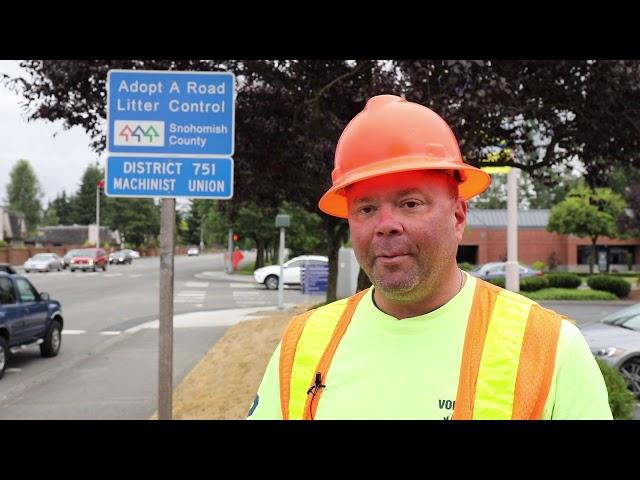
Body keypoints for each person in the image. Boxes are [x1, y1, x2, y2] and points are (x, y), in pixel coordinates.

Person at [247, 94, 612, 420]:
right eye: (366, 209)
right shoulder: (303, 344)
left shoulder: (549, 348)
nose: (385, 226)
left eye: (410, 203)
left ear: (457, 217)